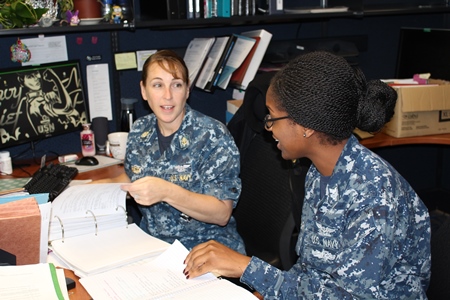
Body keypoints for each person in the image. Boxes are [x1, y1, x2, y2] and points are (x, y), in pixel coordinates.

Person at [184, 51, 431, 299]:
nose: (268, 127)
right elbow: (312, 270)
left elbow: (348, 296)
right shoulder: (319, 172)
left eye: (272, 116)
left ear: (305, 126)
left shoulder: (374, 194)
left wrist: (246, 267)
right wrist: (268, 290)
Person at [94, 49, 245, 253]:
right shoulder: (139, 130)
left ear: (187, 90)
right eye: (158, 85)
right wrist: (82, 188)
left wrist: (166, 191)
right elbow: (132, 178)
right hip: (152, 245)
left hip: (204, 249)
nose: (168, 96)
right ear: (144, 91)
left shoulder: (212, 135)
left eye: (176, 85)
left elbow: (221, 213)